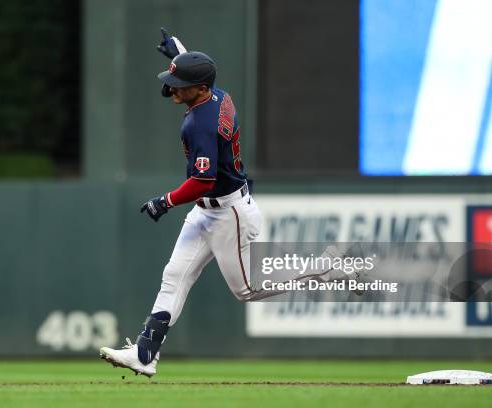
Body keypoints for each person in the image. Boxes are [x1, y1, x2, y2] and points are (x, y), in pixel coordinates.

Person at [99, 29, 360, 377]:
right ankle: (145, 355)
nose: (174, 86)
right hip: (208, 211)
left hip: (228, 213)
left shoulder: (199, 123)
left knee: (248, 290)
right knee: (174, 276)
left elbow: (202, 181)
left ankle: (330, 268)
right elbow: (200, 73)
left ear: (201, 88)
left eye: (181, 82)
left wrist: (165, 201)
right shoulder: (217, 96)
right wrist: (178, 51)